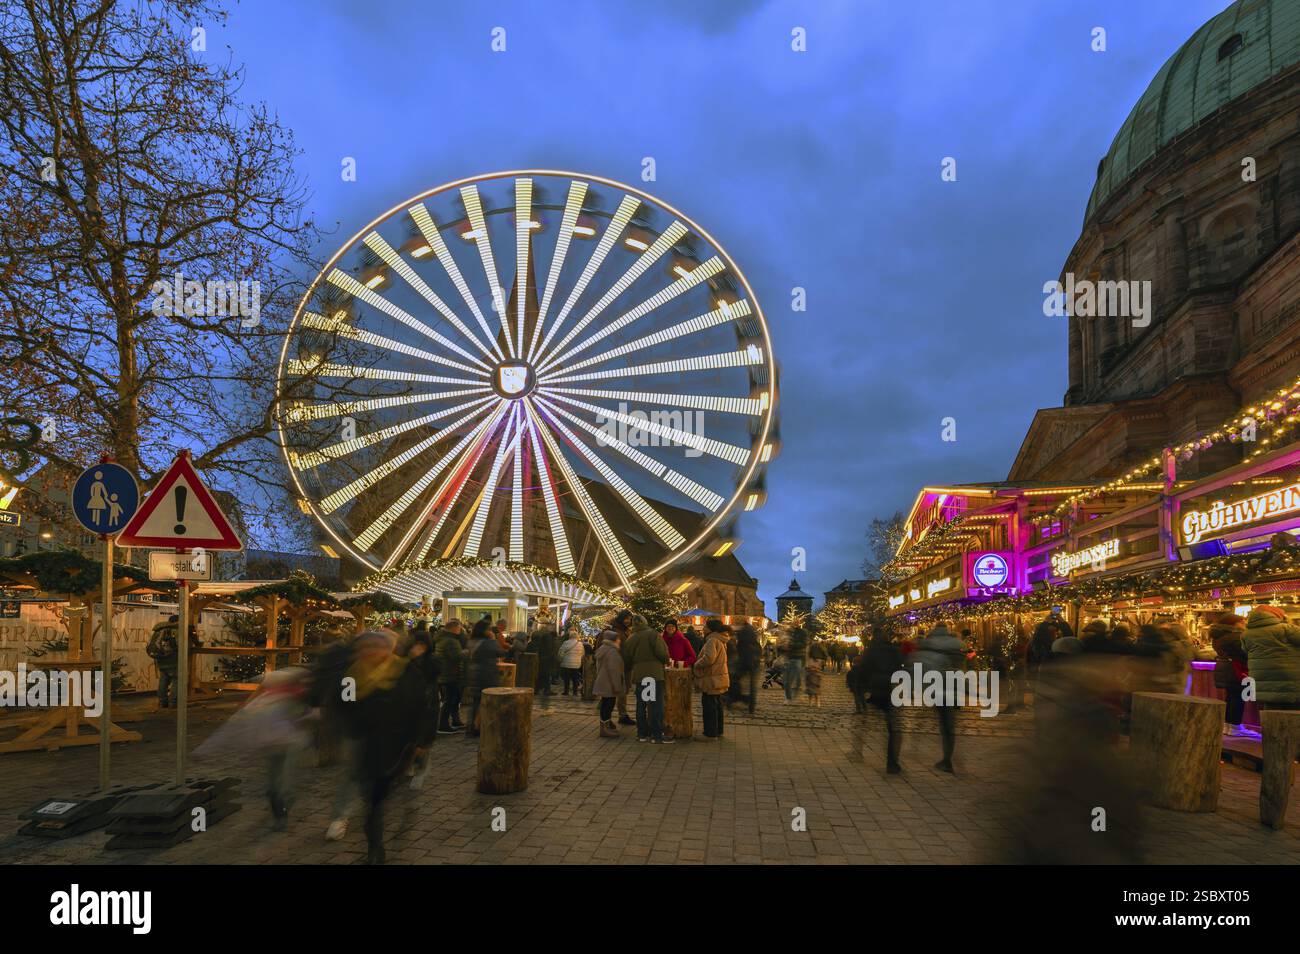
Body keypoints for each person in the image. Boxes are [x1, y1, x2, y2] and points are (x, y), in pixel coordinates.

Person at [339, 631, 431, 864]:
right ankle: (375, 846)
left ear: (389, 648)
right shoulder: (351, 676)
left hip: (399, 742)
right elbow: (345, 706)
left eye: (377, 646)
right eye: (366, 647)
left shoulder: (405, 671)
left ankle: (376, 838)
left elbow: (422, 707)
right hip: (368, 743)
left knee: (381, 790)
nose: (371, 651)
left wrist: (422, 740)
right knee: (373, 796)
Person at [912, 622, 966, 773]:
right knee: (949, 725)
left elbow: (922, 664)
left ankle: (946, 759)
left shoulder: (931, 643)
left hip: (937, 688)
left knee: (942, 722)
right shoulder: (955, 643)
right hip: (954, 687)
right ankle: (948, 757)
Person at [622, 613, 672, 743]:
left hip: (640, 675)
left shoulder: (631, 638)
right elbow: (662, 653)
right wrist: (666, 660)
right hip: (654, 674)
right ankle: (657, 735)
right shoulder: (653, 634)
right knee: (656, 705)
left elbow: (627, 658)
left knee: (642, 704)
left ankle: (642, 734)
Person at [1241, 605, 1300, 712]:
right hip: (1290, 679)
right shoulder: (1285, 629)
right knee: (1294, 716)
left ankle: (1271, 729)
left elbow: (1246, 652)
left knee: (1271, 713)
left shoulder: (1246, 634)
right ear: (1276, 616)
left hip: (1262, 681)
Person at [862, 628, 904, 773]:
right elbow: (901, 669)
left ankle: (859, 750)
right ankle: (892, 762)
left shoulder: (870, 651)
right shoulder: (894, 650)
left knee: (867, 724)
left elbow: (863, 669)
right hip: (892, 690)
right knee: (894, 727)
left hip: (876, 690)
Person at [146, 615, 201, 708]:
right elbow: (183, 645)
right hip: (174, 659)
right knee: (177, 680)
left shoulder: (159, 629)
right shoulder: (179, 630)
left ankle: (162, 701)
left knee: (163, 680)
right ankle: (173, 702)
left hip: (161, 659)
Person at [466, 618, 505, 738]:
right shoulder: (489, 642)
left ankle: (471, 728)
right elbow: (501, 652)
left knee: (475, 702)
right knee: (487, 702)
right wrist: (493, 639)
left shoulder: (471, 641)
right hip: (487, 675)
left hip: (473, 674)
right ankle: (482, 727)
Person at [1210, 613, 1249, 735]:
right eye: (1242, 621)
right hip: (1236, 669)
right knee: (1238, 696)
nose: (1244, 623)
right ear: (1233, 624)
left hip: (1225, 667)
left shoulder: (1219, 636)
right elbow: (1245, 653)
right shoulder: (1236, 636)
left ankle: (1228, 726)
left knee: (1231, 696)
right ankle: (1235, 727)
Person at [694, 622, 730, 739]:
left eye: (705, 627)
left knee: (709, 706)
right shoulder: (720, 639)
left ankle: (710, 733)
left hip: (712, 678)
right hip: (718, 677)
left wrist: (697, 664)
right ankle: (718, 731)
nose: (703, 629)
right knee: (717, 704)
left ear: (710, 629)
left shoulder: (711, 640)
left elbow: (709, 658)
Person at [434, 618, 466, 733]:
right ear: (454, 628)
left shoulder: (443, 638)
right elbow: (456, 657)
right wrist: (466, 652)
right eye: (459, 628)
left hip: (446, 673)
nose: (460, 630)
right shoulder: (450, 641)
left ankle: (454, 720)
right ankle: (443, 724)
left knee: (452, 699)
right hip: (450, 673)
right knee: (450, 700)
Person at [592, 628, 625, 738]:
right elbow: (614, 671)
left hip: (603, 681)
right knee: (608, 705)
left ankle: (606, 726)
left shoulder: (603, 648)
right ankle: (604, 729)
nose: (619, 641)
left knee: (605, 704)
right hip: (609, 683)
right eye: (618, 639)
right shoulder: (612, 651)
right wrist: (617, 686)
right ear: (614, 640)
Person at [734, 622, 761, 714]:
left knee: (736, 680)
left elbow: (738, 651)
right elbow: (759, 652)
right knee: (753, 687)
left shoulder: (741, 639)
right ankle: (751, 705)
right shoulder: (755, 641)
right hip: (755, 664)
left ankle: (741, 698)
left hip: (743, 663)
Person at [782, 626, 808, 702]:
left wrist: (791, 644)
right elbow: (782, 647)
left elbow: (803, 644)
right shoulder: (789, 634)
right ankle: (788, 697)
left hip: (798, 658)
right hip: (788, 659)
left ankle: (795, 696)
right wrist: (782, 646)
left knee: (797, 680)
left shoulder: (802, 633)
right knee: (786, 681)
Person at [558, 627, 585, 696]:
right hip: (576, 664)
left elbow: (561, 652)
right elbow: (582, 654)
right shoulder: (580, 644)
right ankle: (575, 692)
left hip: (566, 663)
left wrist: (560, 659)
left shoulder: (565, 643)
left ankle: (566, 691)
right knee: (575, 679)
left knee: (566, 678)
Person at [846, 640, 869, 713]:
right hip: (862, 686)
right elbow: (866, 677)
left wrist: (848, 685)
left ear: (853, 663)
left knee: (856, 698)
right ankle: (865, 708)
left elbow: (848, 678)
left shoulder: (851, 671)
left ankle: (858, 709)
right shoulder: (864, 670)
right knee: (862, 697)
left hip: (855, 686)